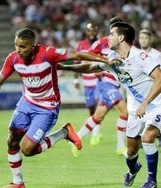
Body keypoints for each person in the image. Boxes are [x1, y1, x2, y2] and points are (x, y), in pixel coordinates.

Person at [0, 28, 114, 188]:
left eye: (23, 46)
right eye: (16, 45)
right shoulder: (13, 58)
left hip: (47, 108)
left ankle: (64, 133)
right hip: (26, 103)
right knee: (12, 141)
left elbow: (77, 54)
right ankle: (18, 183)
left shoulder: (48, 53)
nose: (18, 50)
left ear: (33, 46)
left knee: (27, 149)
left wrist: (106, 60)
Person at [58, 22, 161, 188]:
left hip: (156, 104)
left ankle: (151, 181)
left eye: (112, 34)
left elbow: (159, 78)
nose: (108, 37)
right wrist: (64, 67)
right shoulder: (113, 58)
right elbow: (90, 67)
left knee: (148, 138)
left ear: (121, 37)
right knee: (130, 153)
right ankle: (133, 170)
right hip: (136, 110)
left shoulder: (139, 57)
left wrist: (146, 102)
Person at [70, 17, 128, 157]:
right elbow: (86, 54)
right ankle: (120, 147)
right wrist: (97, 68)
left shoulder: (125, 44)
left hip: (115, 84)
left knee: (97, 117)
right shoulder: (102, 42)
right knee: (125, 112)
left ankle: (76, 138)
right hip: (106, 84)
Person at [73, 23, 101, 135]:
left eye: (94, 30)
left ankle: (96, 133)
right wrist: (76, 79)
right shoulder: (81, 45)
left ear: (96, 32)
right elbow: (77, 62)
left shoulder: (101, 44)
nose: (92, 33)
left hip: (99, 80)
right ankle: (94, 127)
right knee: (90, 106)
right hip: (87, 81)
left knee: (99, 104)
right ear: (87, 32)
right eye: (90, 30)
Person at [138, 28, 161, 147]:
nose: (143, 40)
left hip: (155, 91)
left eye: (146, 38)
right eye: (141, 38)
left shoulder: (157, 55)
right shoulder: (135, 54)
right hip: (141, 91)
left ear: (150, 40)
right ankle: (142, 138)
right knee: (139, 115)